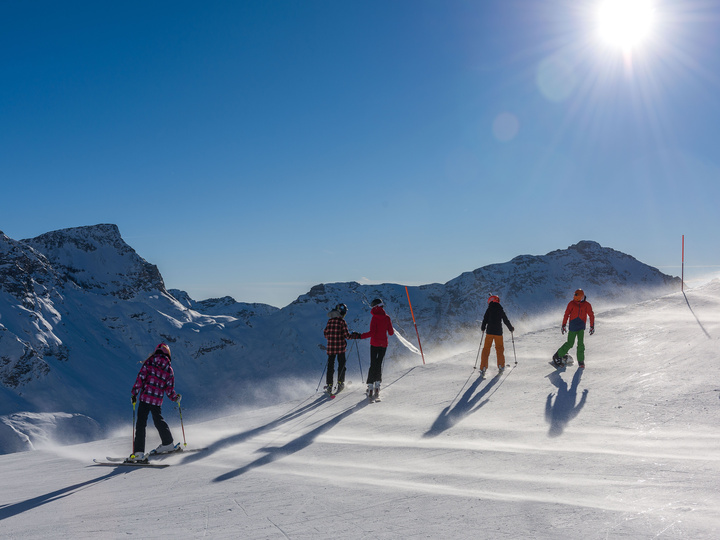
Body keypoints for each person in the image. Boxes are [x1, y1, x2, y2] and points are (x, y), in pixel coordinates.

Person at [129, 342, 181, 462]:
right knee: (158, 420)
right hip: (157, 401)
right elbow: (169, 389)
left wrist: (134, 393)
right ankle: (168, 442)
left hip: (145, 398)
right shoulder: (169, 369)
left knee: (141, 424)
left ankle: (139, 453)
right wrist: (175, 398)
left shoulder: (150, 362)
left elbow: (140, 378)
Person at [357, 298, 394, 401]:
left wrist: (360, 336)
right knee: (379, 363)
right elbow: (391, 333)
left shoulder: (374, 318)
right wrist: (387, 327)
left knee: (373, 363)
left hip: (374, 344)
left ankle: (370, 386)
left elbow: (372, 333)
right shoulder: (387, 318)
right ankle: (377, 384)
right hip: (384, 345)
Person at [553, 289, 595, 368]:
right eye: (575, 296)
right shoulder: (571, 304)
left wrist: (592, 326)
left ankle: (581, 361)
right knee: (570, 343)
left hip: (581, 327)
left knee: (580, 344)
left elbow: (591, 315)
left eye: (577, 297)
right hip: (573, 327)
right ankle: (557, 355)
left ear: (582, 296)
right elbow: (566, 314)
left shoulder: (587, 305)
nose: (575, 298)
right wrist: (563, 325)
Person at [479, 294, 514, 377]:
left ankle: (483, 368)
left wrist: (483, 328)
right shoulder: (500, 309)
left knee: (486, 349)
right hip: (498, 333)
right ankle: (501, 366)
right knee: (499, 349)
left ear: (490, 301)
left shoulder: (489, 309)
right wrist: (510, 328)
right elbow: (505, 320)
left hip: (489, 332)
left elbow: (485, 320)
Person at [323, 303, 351, 395]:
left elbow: (326, 334)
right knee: (341, 365)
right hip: (341, 348)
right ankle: (340, 383)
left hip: (331, 348)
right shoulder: (342, 322)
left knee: (330, 366)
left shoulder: (329, 321)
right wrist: (355, 335)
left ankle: (329, 385)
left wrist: (332, 339)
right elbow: (347, 335)